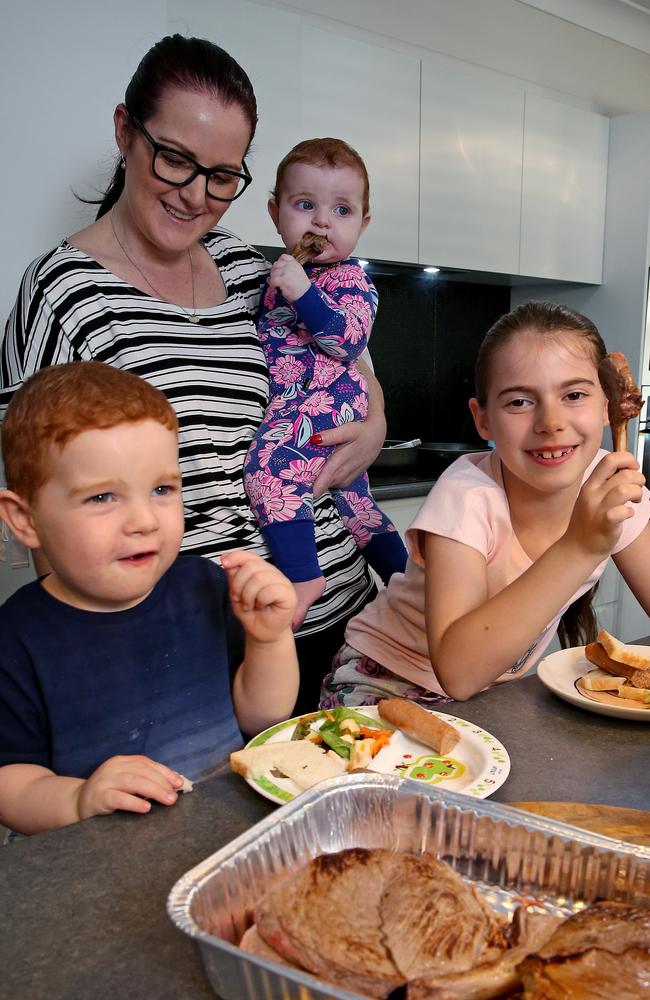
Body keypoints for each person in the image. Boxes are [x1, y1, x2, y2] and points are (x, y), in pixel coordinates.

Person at [0, 34, 386, 715]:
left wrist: (375, 425)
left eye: (222, 175)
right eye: (175, 159)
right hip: (196, 651)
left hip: (343, 614)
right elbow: (44, 508)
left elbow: (346, 354)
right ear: (126, 132)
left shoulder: (247, 267)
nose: (195, 195)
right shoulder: (63, 296)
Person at [0, 362, 299, 835]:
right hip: (97, 869)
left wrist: (269, 641)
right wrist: (77, 798)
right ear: (24, 520)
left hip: (221, 837)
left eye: (162, 489)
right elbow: (10, 782)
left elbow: (263, 717)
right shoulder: (15, 639)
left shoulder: (203, 585)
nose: (144, 520)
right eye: (102, 498)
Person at [321, 301, 650, 707]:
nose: (550, 421)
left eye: (575, 394)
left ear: (608, 405)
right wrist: (581, 546)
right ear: (483, 420)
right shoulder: (468, 496)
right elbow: (458, 673)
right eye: (519, 402)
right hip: (383, 683)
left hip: (487, 695)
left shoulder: (612, 486)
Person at [244, 138, 408, 627]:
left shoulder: (350, 280)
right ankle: (407, 585)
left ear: (363, 222)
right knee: (357, 506)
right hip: (299, 404)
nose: (321, 222)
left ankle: (302, 576)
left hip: (326, 405)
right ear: (276, 212)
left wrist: (303, 292)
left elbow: (347, 340)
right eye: (305, 205)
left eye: (341, 209)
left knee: (269, 472)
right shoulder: (271, 277)